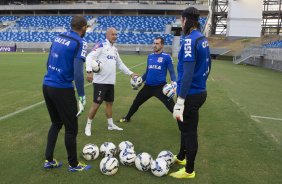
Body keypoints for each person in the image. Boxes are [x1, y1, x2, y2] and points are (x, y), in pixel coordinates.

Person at [42, 15, 91, 172]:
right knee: (71, 128)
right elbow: (78, 72)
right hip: (62, 89)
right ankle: (74, 164)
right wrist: (82, 96)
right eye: (86, 28)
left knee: (56, 123)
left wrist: (53, 77)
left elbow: (48, 62)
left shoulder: (58, 37)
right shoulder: (80, 42)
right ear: (83, 27)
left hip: (47, 84)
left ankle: (49, 160)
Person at [169, 7, 211, 179]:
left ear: (185, 20)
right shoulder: (202, 39)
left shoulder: (189, 40)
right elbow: (209, 67)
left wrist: (180, 100)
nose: (181, 22)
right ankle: (181, 157)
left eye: (181, 19)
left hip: (190, 95)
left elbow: (187, 73)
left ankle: (189, 170)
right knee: (184, 127)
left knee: (189, 132)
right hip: (199, 91)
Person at [84, 27, 138, 136]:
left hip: (110, 82)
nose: (115, 36)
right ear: (107, 35)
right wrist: (89, 71)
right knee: (96, 104)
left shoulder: (114, 49)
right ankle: (88, 125)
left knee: (109, 104)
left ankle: (110, 124)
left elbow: (120, 64)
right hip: (100, 82)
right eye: (113, 34)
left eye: (116, 34)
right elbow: (89, 57)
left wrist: (131, 73)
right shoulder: (101, 45)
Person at [119, 37, 176, 123]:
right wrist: (140, 81)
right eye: (154, 43)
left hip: (161, 88)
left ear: (162, 45)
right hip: (148, 87)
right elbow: (147, 72)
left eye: (157, 44)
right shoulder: (150, 56)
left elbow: (172, 72)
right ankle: (127, 118)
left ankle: (185, 125)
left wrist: (173, 82)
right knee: (136, 102)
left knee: (172, 107)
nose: (154, 45)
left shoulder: (167, 57)